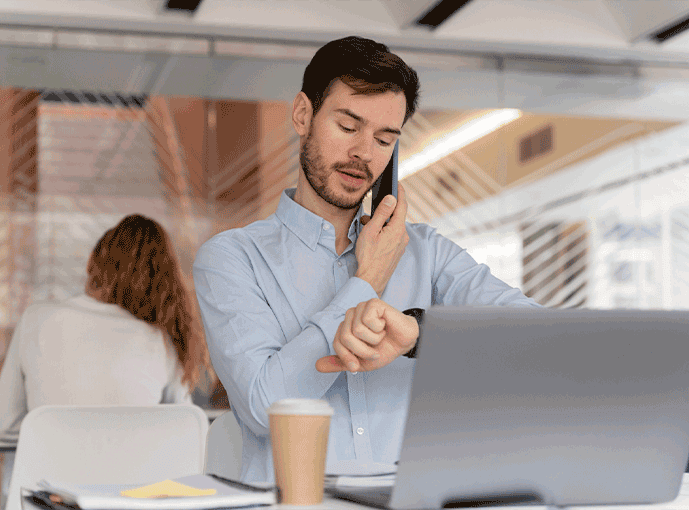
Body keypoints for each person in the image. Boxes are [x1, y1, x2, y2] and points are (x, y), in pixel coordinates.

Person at [193, 35, 541, 483]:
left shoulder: (425, 251)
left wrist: (418, 333)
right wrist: (369, 277)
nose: (363, 153)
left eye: (383, 138)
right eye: (348, 126)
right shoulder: (231, 259)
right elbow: (267, 410)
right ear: (303, 115)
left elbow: (538, 339)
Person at [0, 214, 209, 509]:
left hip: (43, 499)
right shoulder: (162, 340)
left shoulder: (37, 319)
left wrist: (65, 438)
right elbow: (182, 430)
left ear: (92, 264)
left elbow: (2, 426)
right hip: (131, 501)